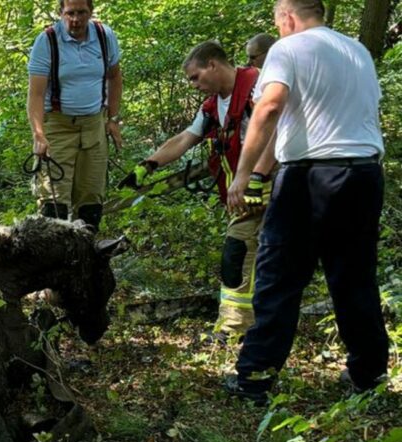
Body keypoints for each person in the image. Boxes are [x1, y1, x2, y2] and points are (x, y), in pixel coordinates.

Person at [226, 0, 388, 403]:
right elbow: (313, 120)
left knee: (278, 274)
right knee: (355, 278)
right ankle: (369, 377)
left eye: (277, 22)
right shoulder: (356, 51)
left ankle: (255, 378)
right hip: (364, 174)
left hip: (311, 178)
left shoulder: (289, 47)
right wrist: (265, 171)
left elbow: (270, 107)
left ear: (288, 17)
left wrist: (243, 174)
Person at [135, 41, 267, 344]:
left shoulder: (259, 86)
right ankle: (249, 326)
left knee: (243, 252)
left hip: (271, 183)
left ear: (213, 65)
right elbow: (185, 138)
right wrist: (148, 165)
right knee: (254, 255)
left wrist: (254, 177)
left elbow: (274, 131)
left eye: (195, 77)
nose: (194, 85)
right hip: (244, 189)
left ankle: (237, 329)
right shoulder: (213, 106)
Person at [27, 0, 123, 230]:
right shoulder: (47, 41)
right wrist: (38, 134)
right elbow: (36, 94)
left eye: (81, 13)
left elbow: (115, 77)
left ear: (91, 12)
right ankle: (54, 261)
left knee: (91, 199)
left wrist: (112, 119)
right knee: (53, 201)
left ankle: (87, 258)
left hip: (94, 127)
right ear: (61, 13)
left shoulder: (103, 36)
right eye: (70, 13)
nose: (76, 19)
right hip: (58, 128)